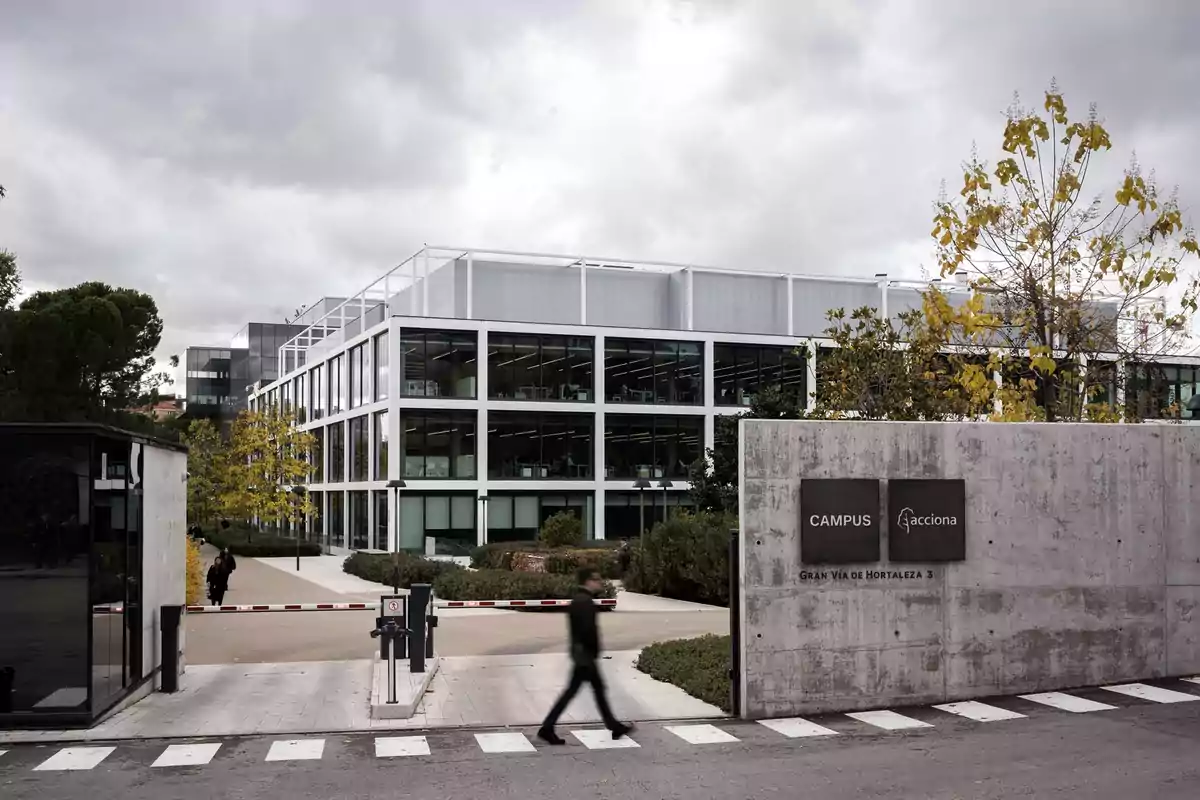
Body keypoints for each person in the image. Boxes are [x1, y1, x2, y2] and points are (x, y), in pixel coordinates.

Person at [537, 568, 633, 745]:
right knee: (581, 692)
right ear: (588, 581)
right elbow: (588, 631)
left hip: (582, 655)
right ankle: (547, 728)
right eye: (596, 578)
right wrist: (594, 651)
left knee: (595, 690)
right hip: (585, 657)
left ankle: (613, 725)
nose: (599, 582)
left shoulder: (579, 600)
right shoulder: (585, 602)